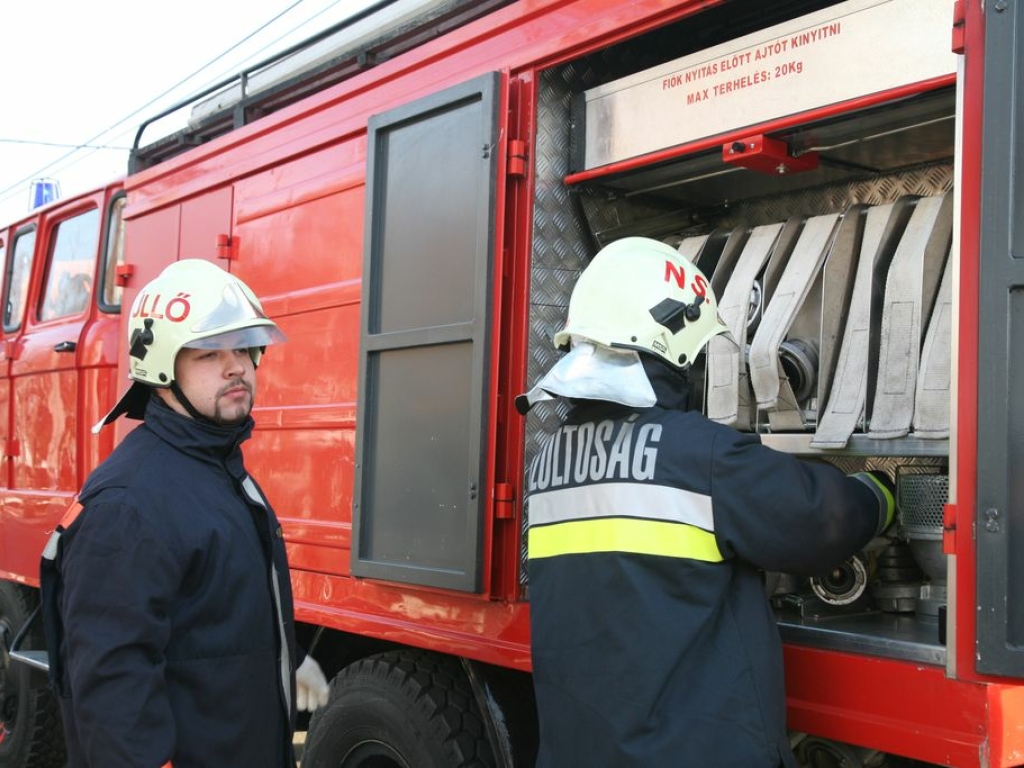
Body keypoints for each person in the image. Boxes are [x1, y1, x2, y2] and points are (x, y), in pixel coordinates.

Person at [516, 237, 895, 768]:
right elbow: (819, 519)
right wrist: (879, 492)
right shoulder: (697, 454)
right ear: (670, 344)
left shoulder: (548, 463)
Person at [40, 259, 330, 768]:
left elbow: (210, 618)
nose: (236, 366)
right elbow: (112, 695)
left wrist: (285, 656)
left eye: (242, 348)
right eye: (209, 353)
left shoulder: (217, 469)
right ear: (161, 370)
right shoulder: (128, 507)